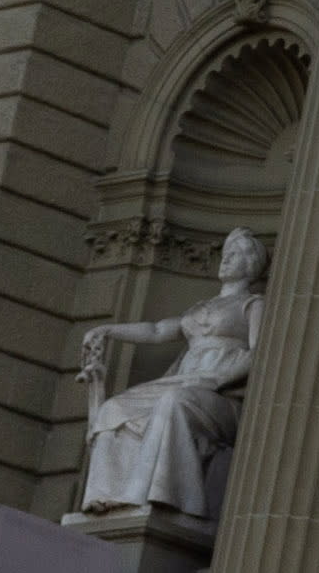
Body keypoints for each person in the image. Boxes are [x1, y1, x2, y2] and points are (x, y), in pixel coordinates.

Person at [76, 225, 261, 526]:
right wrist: (107, 330)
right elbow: (157, 330)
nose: (226, 259)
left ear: (251, 264)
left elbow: (259, 353)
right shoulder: (200, 307)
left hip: (220, 396)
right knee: (113, 409)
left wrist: (216, 380)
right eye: (225, 253)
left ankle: (149, 495)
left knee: (173, 401)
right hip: (183, 382)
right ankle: (108, 496)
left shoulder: (253, 305)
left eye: (235, 254)